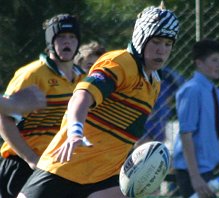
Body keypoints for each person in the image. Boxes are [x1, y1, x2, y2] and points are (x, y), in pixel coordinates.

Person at [18, 3, 179, 198]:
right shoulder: (121, 62)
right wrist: (75, 131)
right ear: (141, 38)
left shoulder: (154, 83)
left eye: (168, 44)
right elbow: (82, 96)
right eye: (156, 42)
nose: (162, 50)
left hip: (105, 179)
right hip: (67, 166)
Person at [0, 13, 85, 198]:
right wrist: (31, 158)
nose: (67, 42)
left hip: (59, 166)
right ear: (50, 43)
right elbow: (3, 120)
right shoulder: (32, 75)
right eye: (61, 37)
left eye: (72, 37)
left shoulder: (83, 79)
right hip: (23, 164)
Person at [172, 39, 219, 198]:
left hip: (207, 170)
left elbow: (216, 138)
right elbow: (186, 135)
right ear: (199, 63)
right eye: (214, 60)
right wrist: (194, 177)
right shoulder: (191, 90)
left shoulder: (215, 93)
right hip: (192, 173)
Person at [138, 66, 185, 144]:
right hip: (147, 115)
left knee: (157, 144)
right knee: (142, 143)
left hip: (159, 115)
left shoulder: (167, 75)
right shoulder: (142, 73)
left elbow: (181, 82)